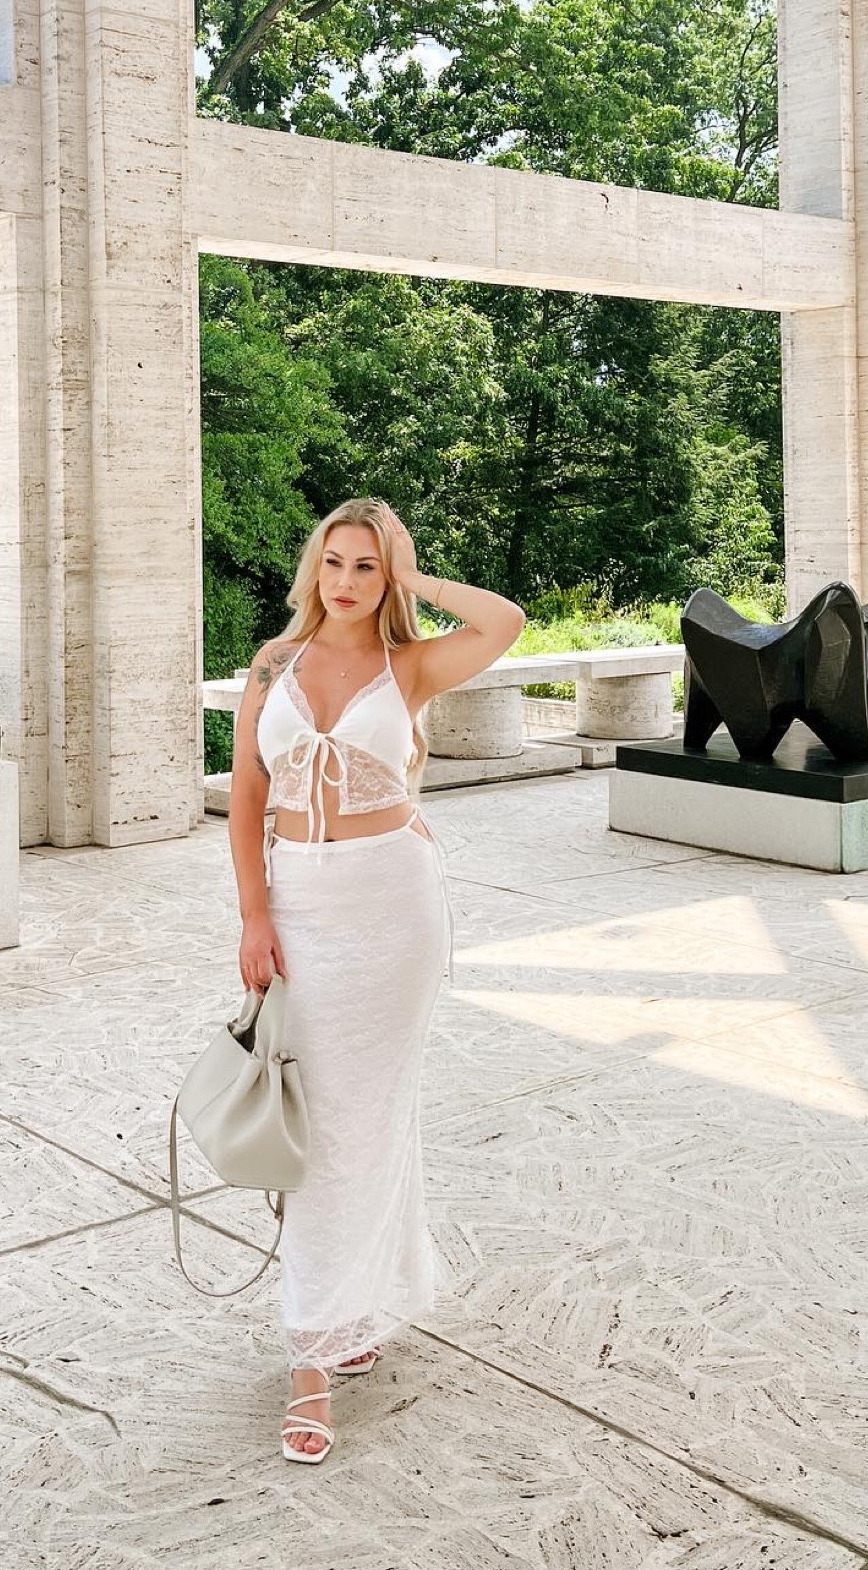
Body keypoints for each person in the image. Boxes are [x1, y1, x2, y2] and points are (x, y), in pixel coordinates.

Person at [227, 497, 526, 1464]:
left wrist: (418, 575)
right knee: (321, 1122)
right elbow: (244, 798)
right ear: (312, 568)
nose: (347, 583)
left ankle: (314, 1353)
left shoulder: (411, 665)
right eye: (336, 563)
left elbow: (505, 622)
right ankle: (341, 1316)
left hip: (393, 907)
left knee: (368, 1116)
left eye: (367, 567)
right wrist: (254, 915)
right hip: (300, 904)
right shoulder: (272, 664)